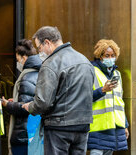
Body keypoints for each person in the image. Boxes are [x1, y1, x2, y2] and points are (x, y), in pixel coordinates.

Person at [22, 26, 95, 155]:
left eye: (39, 48)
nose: (39, 52)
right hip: (83, 125)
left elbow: (42, 103)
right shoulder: (84, 60)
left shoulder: (51, 63)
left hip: (58, 127)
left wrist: (30, 107)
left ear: (47, 43)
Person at [87, 39, 129, 155]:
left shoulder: (117, 74)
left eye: (113, 55)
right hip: (97, 127)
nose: (110, 58)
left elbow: (119, 102)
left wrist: (124, 125)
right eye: (107, 55)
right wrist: (102, 90)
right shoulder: (91, 71)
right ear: (100, 56)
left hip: (114, 127)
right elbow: (84, 98)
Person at [1, 39, 42, 155]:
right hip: (34, 133)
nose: (17, 63)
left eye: (18, 59)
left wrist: (8, 104)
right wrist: (17, 100)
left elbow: (26, 107)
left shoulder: (27, 77)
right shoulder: (39, 72)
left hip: (24, 134)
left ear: (24, 58)